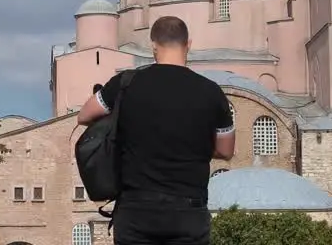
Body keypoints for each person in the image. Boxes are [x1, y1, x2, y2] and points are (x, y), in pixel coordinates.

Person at [77, 16, 235, 245]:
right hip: (188, 212)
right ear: (188, 44)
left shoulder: (126, 83)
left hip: (136, 210)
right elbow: (226, 150)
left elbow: (84, 116)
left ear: (153, 46)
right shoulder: (211, 93)